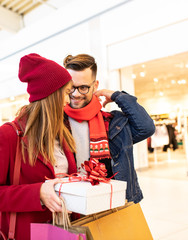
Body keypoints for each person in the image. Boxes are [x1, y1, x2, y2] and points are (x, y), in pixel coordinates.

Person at [0, 53, 76, 240]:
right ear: (51, 94)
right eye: (66, 93)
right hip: (29, 234)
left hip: (65, 232)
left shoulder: (62, 134)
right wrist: (37, 192)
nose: (67, 101)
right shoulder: (7, 135)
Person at [63, 54, 155, 204]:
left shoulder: (113, 123)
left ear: (95, 85)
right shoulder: (56, 123)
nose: (76, 94)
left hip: (112, 204)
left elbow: (146, 127)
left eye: (83, 87)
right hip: (71, 206)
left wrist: (117, 96)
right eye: (71, 88)